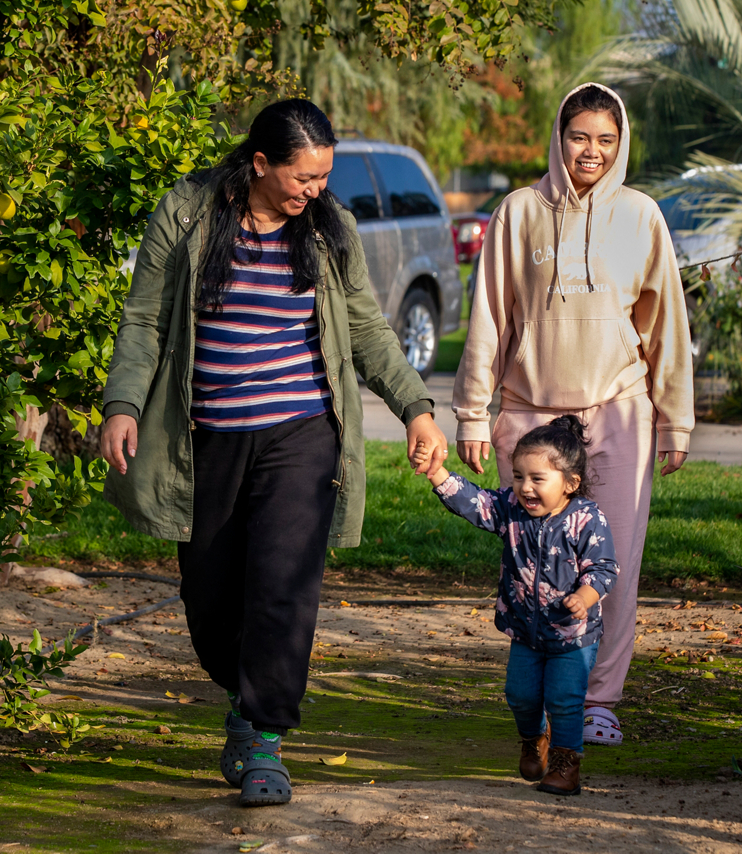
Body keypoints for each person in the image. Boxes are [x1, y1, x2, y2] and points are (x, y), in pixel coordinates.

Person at [98, 99, 448, 808]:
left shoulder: (327, 229)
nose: (315, 190)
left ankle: (264, 738)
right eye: (304, 177)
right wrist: (122, 405)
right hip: (207, 439)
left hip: (301, 433)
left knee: (283, 588)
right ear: (260, 164)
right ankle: (245, 695)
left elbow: (368, 329)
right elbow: (142, 317)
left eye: (324, 176)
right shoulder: (189, 211)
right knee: (211, 600)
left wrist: (415, 406)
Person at [451, 82, 694, 747]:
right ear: (559, 139)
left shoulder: (641, 216)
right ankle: (547, 694)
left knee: (611, 565)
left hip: (617, 412)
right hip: (530, 416)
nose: (591, 151)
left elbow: (665, 326)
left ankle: (598, 701)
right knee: (536, 568)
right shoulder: (517, 213)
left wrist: (675, 421)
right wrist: (473, 414)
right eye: (580, 137)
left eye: (606, 141)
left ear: (620, 147)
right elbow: (488, 320)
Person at [414, 416, 617, 796]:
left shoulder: (587, 519)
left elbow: (604, 568)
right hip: (524, 629)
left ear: (570, 483)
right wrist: (438, 474)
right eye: (519, 476)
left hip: (573, 635)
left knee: (565, 699)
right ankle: (534, 739)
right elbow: (475, 502)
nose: (525, 487)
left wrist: (585, 596)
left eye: (538, 479)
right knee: (521, 695)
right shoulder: (512, 509)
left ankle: (565, 765)